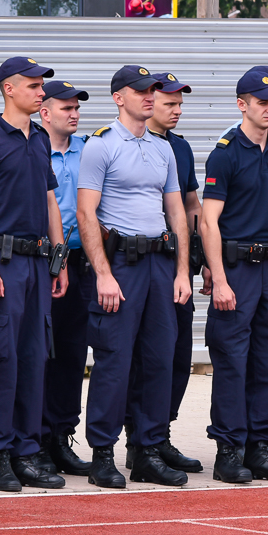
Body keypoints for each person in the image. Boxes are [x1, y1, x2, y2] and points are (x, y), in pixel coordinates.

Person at [77, 65, 192, 488]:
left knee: (159, 359)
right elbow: (86, 213)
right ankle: (103, 453)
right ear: (118, 97)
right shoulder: (100, 146)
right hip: (121, 264)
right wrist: (103, 275)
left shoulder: (163, 149)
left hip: (160, 263)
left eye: (153, 91)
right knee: (114, 360)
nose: (150, 97)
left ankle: (146, 450)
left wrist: (182, 270)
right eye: (141, 90)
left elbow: (177, 211)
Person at [0, 57, 68, 492]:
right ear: (9, 88)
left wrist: (58, 261)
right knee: (0, 359)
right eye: (32, 85)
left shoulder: (40, 139)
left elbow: (49, 202)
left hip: (36, 264)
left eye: (41, 84)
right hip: (2, 263)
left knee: (33, 359)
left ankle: (27, 451)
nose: (40, 91)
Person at [201, 69, 268, 484]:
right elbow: (209, 223)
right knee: (231, 362)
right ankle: (230, 450)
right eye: (264, 101)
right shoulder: (225, 153)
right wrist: (221, 280)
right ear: (242, 104)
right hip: (238, 271)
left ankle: (261, 445)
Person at [122, 72, 203, 474]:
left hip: (174, 265)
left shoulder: (180, 149)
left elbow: (190, 204)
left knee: (174, 354)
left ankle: (159, 433)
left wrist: (196, 261)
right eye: (169, 102)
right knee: (139, 357)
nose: (175, 110)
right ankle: (137, 439)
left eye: (178, 103)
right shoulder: (124, 145)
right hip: (139, 263)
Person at [38, 79, 93, 476]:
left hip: (80, 261)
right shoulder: (31, 148)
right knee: (40, 352)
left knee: (73, 353)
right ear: (45, 113)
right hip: (41, 262)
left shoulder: (90, 149)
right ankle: (36, 438)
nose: (73, 114)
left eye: (76, 108)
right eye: (65, 108)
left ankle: (61, 435)